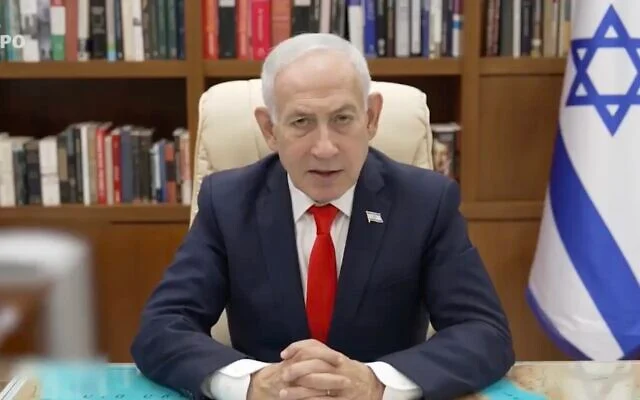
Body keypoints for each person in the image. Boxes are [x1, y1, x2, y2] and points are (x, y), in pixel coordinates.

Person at [130, 32, 515, 400]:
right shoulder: (228, 202)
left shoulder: (426, 202)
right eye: (301, 122)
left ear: (371, 117)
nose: (325, 148)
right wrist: (253, 384)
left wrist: (377, 384)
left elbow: (484, 332)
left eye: (343, 119)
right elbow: (161, 328)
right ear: (269, 129)